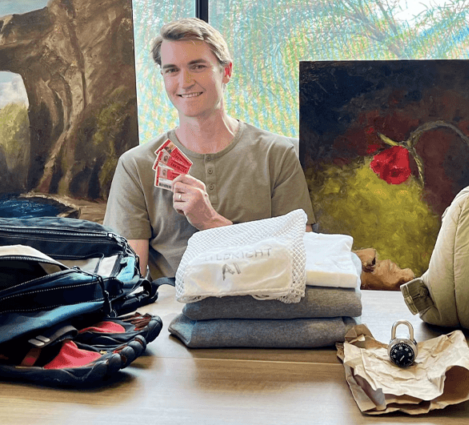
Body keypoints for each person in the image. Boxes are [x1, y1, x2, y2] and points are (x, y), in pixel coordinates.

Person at [103, 18, 315, 277]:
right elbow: (126, 278)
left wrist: (211, 222)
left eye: (197, 66)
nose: (185, 82)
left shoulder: (277, 154)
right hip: (172, 300)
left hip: (263, 297)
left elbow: (301, 261)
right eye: (172, 70)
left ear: (226, 72)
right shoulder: (136, 165)